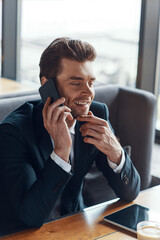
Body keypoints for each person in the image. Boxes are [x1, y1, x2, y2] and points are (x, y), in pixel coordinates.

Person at [0, 37, 140, 232]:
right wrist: (61, 151)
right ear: (47, 85)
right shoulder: (13, 133)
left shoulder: (97, 115)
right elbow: (30, 217)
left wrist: (116, 152)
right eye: (76, 83)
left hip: (77, 226)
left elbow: (130, 192)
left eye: (91, 83)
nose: (88, 93)